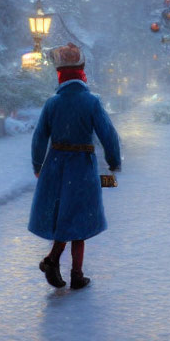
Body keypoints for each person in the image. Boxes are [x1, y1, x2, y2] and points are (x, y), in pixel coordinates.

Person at [29, 42, 121, 290]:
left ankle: (53, 261)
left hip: (56, 167)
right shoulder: (91, 102)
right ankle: (75, 274)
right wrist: (113, 162)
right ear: (81, 72)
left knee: (63, 217)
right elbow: (108, 135)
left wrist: (38, 164)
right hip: (82, 167)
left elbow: (39, 137)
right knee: (79, 217)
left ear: (60, 75)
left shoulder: (52, 103)